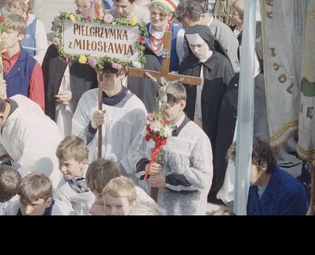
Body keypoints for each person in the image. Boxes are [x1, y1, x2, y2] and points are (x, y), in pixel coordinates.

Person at [133, 81, 213, 216]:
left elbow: (202, 178)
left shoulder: (197, 137)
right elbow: (136, 155)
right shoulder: (152, 128)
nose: (162, 110)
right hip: (150, 206)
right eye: (160, 105)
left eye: (167, 106)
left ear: (181, 105)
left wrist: (166, 181)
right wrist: (146, 167)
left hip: (182, 209)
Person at [178, 25, 236, 199]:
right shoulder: (188, 63)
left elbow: (228, 98)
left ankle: (211, 190)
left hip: (214, 122)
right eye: (192, 46)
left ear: (209, 43)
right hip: (191, 118)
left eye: (199, 46)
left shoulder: (222, 64)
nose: (195, 50)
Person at [71, 64, 147, 175]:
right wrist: (92, 127)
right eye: (99, 75)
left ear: (121, 74)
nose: (102, 80)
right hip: (90, 172)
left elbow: (137, 149)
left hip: (119, 177)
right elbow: (75, 140)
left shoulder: (135, 108)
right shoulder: (88, 99)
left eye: (108, 76)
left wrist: (114, 172)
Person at [0, 93, 62, 186]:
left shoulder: (30, 127)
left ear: (0, 118)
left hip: (43, 184)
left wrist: (10, 167)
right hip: (20, 173)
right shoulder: (4, 109)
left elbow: (38, 169)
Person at [0, 12, 45, 109]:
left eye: (9, 32)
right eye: (1, 31)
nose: (3, 35)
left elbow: (37, 107)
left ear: (20, 36)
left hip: (20, 120)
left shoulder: (31, 66)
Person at [232, 136, 309, 215]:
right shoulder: (250, 187)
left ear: (263, 165)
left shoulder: (290, 192)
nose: (241, 172)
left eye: (244, 167)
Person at [52, 134, 94, 216]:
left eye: (67, 165)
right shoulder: (63, 185)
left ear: (83, 163)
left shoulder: (97, 177)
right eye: (60, 163)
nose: (62, 169)